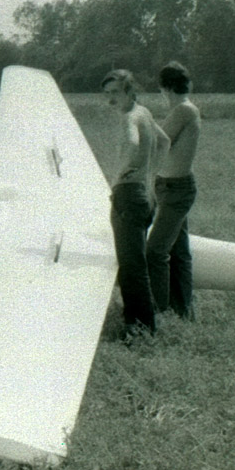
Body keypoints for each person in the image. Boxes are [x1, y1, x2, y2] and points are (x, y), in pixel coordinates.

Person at [101, 69, 160, 337]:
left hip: (128, 194)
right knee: (135, 264)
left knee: (131, 267)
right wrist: (150, 179)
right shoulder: (145, 113)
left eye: (115, 92)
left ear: (128, 91)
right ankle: (140, 324)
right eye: (107, 93)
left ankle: (140, 329)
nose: (110, 99)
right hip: (144, 194)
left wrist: (117, 178)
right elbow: (164, 142)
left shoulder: (128, 118)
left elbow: (133, 143)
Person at [146, 61, 201, 320]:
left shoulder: (183, 110)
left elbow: (160, 141)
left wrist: (139, 114)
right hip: (169, 188)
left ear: (165, 88)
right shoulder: (183, 110)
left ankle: (158, 310)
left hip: (176, 190)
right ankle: (182, 311)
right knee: (179, 253)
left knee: (155, 251)